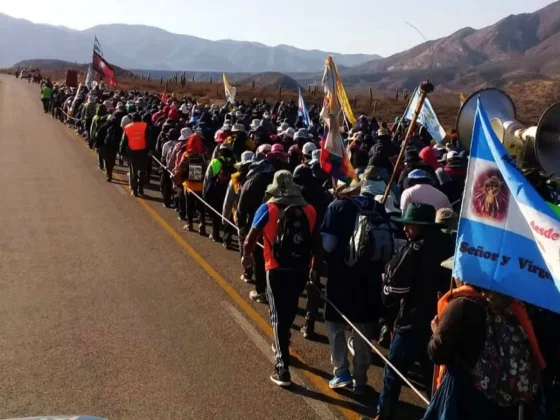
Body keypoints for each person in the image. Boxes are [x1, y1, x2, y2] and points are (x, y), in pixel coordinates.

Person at [424, 258, 546, 420]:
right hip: (498, 401)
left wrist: (435, 330)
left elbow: (437, 353)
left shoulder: (462, 304)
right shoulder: (512, 307)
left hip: (462, 397)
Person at [374, 203, 454, 420]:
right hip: (441, 323)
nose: (405, 229)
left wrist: (386, 291)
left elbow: (394, 291)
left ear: (422, 225)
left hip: (412, 323)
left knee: (393, 373)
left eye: (410, 224)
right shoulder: (450, 245)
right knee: (433, 379)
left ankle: (383, 415)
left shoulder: (415, 249)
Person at [321, 168, 397, 393]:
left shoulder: (336, 207)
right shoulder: (378, 207)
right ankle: (361, 379)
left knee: (335, 324)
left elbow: (329, 245)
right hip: (372, 278)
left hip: (341, 277)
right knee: (362, 328)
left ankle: (341, 372)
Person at [242, 170, 320, 387]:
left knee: (277, 316)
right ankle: (283, 342)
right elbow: (317, 243)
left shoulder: (267, 208)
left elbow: (251, 239)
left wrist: (246, 259)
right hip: (300, 269)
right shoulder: (309, 210)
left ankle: (282, 367)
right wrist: (314, 269)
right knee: (289, 310)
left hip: (275, 267)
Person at [237, 145, 276, 303]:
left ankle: (261, 291)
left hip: (258, 224)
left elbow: (241, 208)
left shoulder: (251, 181)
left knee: (260, 258)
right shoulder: (275, 179)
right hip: (277, 224)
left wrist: (241, 228)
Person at [203, 142, 237, 242]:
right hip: (230, 190)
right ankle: (227, 238)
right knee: (229, 213)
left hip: (216, 191)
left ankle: (215, 234)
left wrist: (205, 191)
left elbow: (207, 177)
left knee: (215, 212)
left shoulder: (215, 162)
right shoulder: (235, 162)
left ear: (220, 151)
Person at [175, 133, 207, 234]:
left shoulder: (186, 155)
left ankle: (190, 224)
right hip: (201, 186)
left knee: (189, 206)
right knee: (201, 207)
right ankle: (202, 225)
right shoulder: (202, 155)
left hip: (189, 186)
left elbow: (180, 167)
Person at [223, 151, 254, 250]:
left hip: (239, 216)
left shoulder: (234, 179)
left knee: (243, 243)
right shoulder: (259, 178)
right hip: (254, 216)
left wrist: (225, 218)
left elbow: (228, 201)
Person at [120, 113, 149, 197]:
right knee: (142, 171)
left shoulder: (127, 127)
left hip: (132, 152)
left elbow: (123, 141)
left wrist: (122, 153)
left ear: (132, 120)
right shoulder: (145, 126)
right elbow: (149, 139)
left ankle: (134, 190)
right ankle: (141, 189)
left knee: (133, 172)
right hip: (143, 152)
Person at [160, 128, 182, 207]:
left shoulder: (166, 145)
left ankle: (167, 201)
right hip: (177, 168)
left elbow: (163, 156)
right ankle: (177, 203)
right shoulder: (180, 145)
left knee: (165, 184)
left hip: (167, 167)